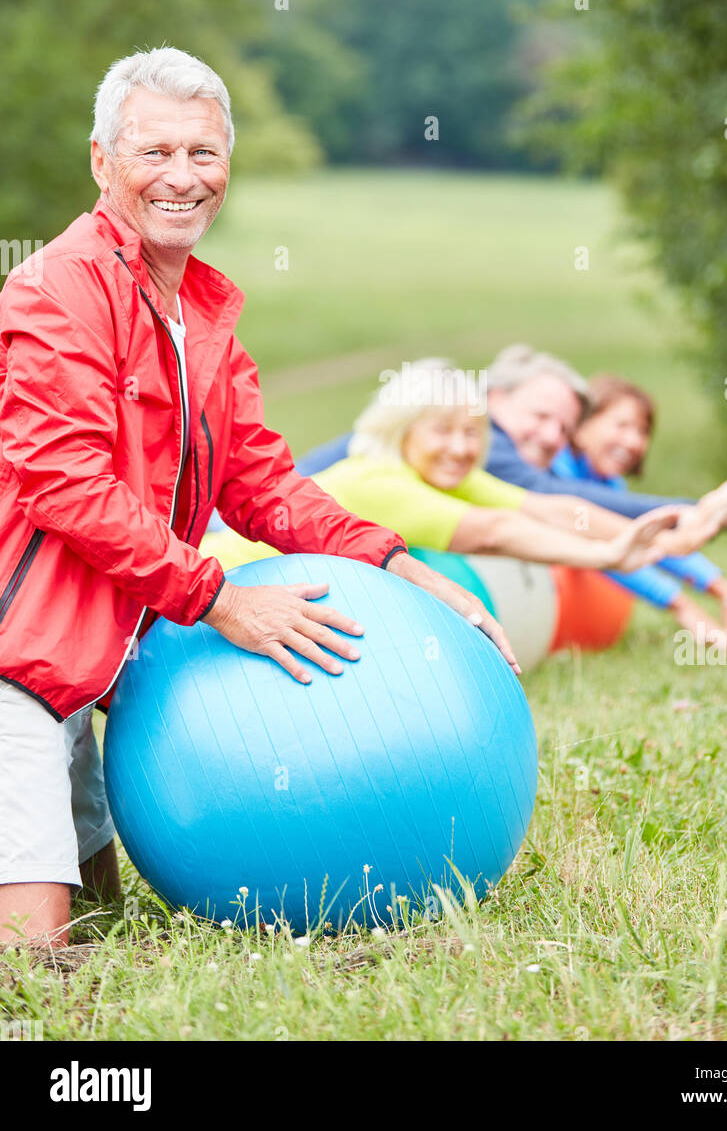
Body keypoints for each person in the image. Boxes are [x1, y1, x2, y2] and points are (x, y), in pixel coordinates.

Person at [0, 48, 516, 952]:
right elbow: (63, 482)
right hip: (18, 658)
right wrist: (219, 599)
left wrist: (401, 565)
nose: (181, 177)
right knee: (34, 959)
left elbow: (263, 484)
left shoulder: (200, 313)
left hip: (94, 667)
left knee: (106, 926)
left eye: (203, 153)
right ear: (101, 162)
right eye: (153, 152)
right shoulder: (57, 290)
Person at [292, 361, 727, 578]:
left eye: (471, 433)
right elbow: (496, 531)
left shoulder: (446, 472)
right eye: (441, 432)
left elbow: (553, 509)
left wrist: (670, 539)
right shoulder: (380, 479)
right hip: (241, 582)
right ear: (404, 430)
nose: (459, 448)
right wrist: (608, 555)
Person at [553, 374, 727, 635]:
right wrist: (682, 606)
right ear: (581, 425)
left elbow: (654, 538)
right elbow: (606, 547)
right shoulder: (554, 474)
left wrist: (725, 592)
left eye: (642, 431)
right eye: (621, 426)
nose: (634, 442)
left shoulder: (609, 483)